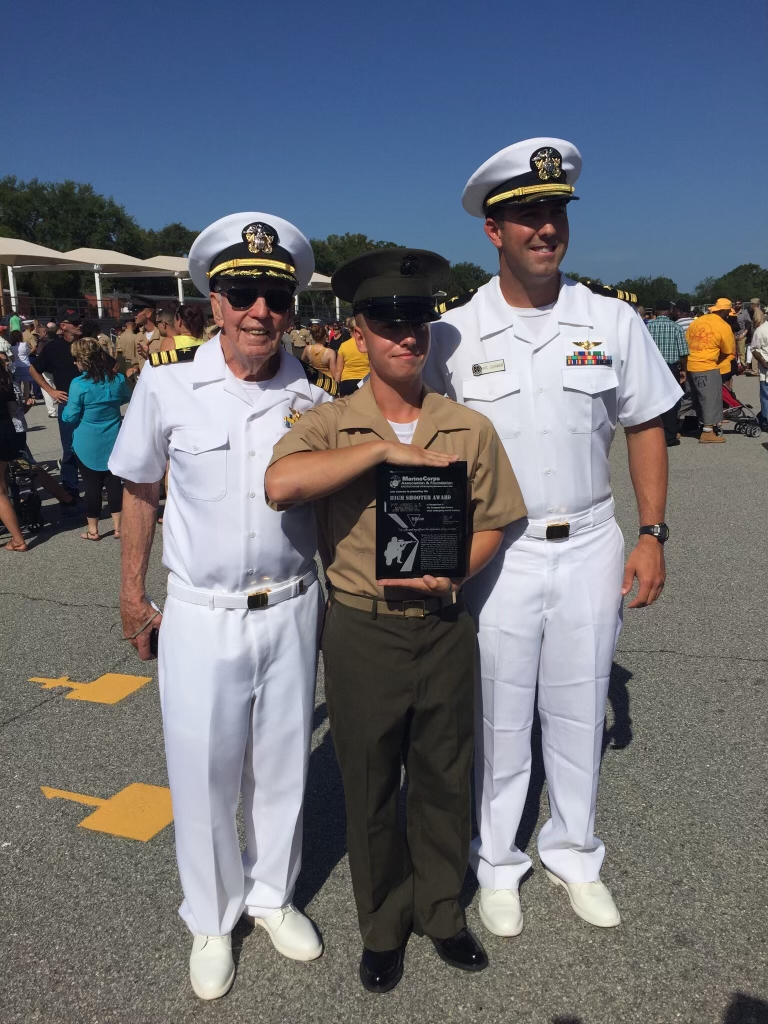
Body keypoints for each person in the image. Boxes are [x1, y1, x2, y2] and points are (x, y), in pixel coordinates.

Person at [426, 137, 681, 937]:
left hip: (593, 538)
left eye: (555, 211)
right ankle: (497, 862)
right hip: (498, 551)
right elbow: (421, 446)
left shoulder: (610, 319)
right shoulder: (453, 335)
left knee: (576, 710)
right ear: (493, 231)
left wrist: (653, 534)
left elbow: (643, 423)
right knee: (500, 715)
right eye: (526, 215)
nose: (545, 228)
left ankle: (575, 851)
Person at [266, 249, 527, 993]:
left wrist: (457, 571)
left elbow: (498, 520)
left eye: (419, 319)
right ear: (360, 331)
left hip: (443, 621)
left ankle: (442, 911)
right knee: (371, 781)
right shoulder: (328, 423)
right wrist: (381, 450)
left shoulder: (466, 426)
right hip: (364, 628)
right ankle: (382, 924)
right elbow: (281, 485)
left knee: (446, 774)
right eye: (389, 321)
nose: (406, 335)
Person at [110, 212, 331, 1001]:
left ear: (292, 307)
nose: (259, 312)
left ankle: (272, 896)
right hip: (201, 611)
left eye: (275, 296)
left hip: (293, 605)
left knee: (280, 771)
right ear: (214, 300)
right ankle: (212, 916)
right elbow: (138, 491)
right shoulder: (166, 386)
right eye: (243, 293)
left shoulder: (312, 398)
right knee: (203, 772)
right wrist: (134, 594)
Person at [62, 338, 130, 541]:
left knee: (92, 487)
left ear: (83, 360)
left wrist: (65, 413)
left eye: (76, 359)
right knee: (114, 483)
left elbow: (71, 416)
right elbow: (127, 397)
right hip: (114, 438)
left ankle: (93, 530)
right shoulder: (116, 379)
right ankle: (118, 527)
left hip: (87, 440)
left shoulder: (79, 384)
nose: (74, 363)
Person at [28, 310, 83, 498]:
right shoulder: (54, 348)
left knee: (97, 446)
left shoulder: (87, 345)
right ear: (63, 326)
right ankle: (71, 489)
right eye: (75, 322)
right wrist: (50, 391)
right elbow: (33, 369)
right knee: (69, 449)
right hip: (68, 404)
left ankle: (101, 485)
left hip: (91, 405)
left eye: (80, 321)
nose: (79, 325)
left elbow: (111, 365)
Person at [686, 298, 735, 443]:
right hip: (707, 366)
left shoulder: (697, 321)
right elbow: (727, 349)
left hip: (690, 364)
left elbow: (687, 339)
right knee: (710, 399)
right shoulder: (723, 326)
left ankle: (676, 427)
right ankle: (708, 432)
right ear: (725, 311)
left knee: (688, 399)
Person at [646, 300, 688, 446]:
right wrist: (684, 370)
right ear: (669, 310)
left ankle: (653, 435)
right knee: (671, 402)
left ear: (655, 311)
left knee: (654, 400)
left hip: (652, 368)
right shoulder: (676, 327)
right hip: (671, 368)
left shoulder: (647, 327)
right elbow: (683, 352)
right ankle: (669, 436)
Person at [0, 352, 30, 551]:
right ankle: (17, 537)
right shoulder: (5, 381)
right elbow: (13, 410)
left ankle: (18, 539)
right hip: (7, 431)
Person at [335, 328, 370, 395]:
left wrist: (336, 387)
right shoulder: (367, 345)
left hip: (347, 382)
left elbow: (339, 370)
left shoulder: (344, 345)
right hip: (366, 381)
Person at [131, 299, 161, 368]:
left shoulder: (162, 335)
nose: (134, 314)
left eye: (137, 311)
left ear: (148, 314)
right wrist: (134, 369)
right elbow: (136, 363)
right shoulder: (138, 337)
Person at [750, 316, 768, 430]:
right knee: (766, 397)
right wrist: (763, 361)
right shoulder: (761, 330)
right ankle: (766, 422)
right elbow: (754, 349)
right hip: (766, 372)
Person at [9, 329, 34, 404]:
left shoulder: (11, 346)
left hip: (15, 366)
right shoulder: (24, 344)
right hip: (25, 365)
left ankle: (19, 399)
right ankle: (27, 400)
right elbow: (28, 352)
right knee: (26, 385)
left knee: (17, 384)